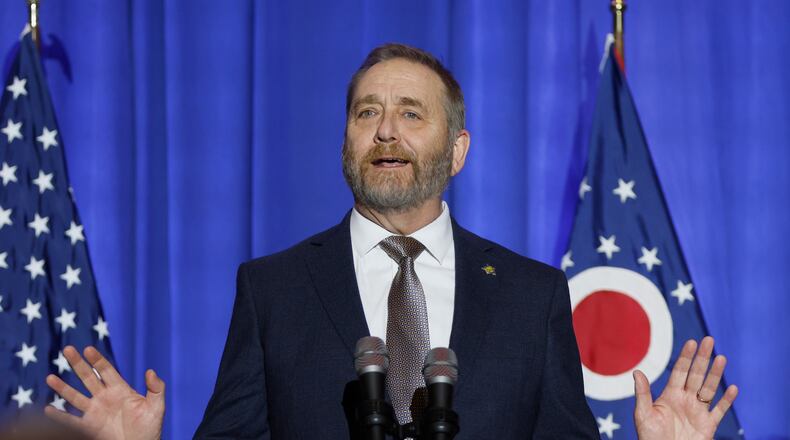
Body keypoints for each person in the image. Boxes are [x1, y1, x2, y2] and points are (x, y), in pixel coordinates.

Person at [44, 43, 738, 439]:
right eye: (367, 113)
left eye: (412, 114)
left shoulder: (535, 295)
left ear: (456, 149)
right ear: (345, 142)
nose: (386, 131)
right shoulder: (272, 289)